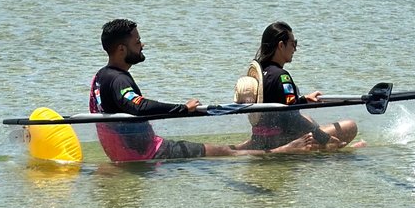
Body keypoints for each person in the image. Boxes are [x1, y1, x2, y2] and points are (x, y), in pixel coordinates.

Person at [91, 19, 315, 162]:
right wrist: (183, 109)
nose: (142, 45)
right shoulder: (118, 80)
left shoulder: (100, 78)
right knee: (224, 154)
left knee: (218, 149)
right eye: (137, 42)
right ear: (121, 49)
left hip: (122, 154)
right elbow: (138, 106)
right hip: (148, 151)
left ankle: (249, 147)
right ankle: (281, 152)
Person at [237, 21, 360, 152]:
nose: (295, 49)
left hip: (261, 138)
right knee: (350, 126)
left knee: (309, 119)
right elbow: (292, 118)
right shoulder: (282, 76)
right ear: (281, 45)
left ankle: (329, 148)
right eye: (293, 44)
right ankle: (330, 149)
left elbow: (281, 104)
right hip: (281, 140)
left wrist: (304, 99)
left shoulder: (262, 72)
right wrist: (325, 138)